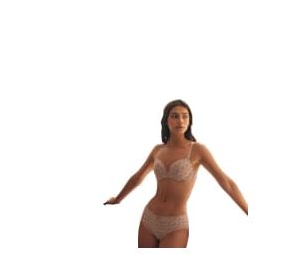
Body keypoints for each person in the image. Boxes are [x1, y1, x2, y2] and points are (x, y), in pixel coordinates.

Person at [104, 99, 248, 248]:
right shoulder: (158, 150)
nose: (181, 120)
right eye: (174, 116)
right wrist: (118, 199)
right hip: (149, 218)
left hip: (176, 224)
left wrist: (249, 211)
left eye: (185, 116)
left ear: (190, 121)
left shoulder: (198, 150)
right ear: (166, 120)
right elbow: (137, 178)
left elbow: (227, 183)